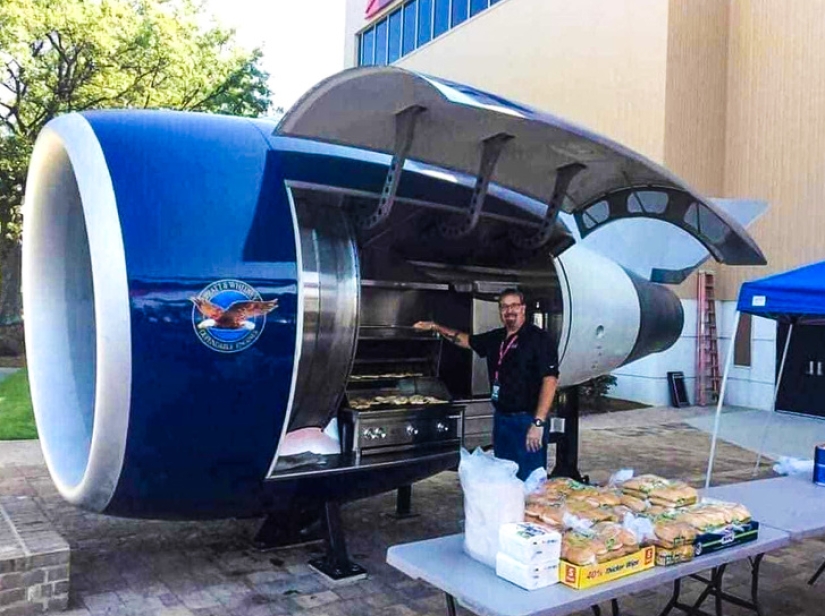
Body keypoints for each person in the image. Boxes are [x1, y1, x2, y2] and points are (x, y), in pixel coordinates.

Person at [413, 289, 559, 480]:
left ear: (523, 308)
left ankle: (530, 511)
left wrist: (538, 423)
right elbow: (465, 340)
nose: (509, 311)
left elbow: (550, 380)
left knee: (530, 481)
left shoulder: (539, 339)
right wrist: (435, 327)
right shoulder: (496, 338)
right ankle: (508, 511)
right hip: (502, 420)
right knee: (505, 477)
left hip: (527, 421)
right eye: (504, 306)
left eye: (514, 305)